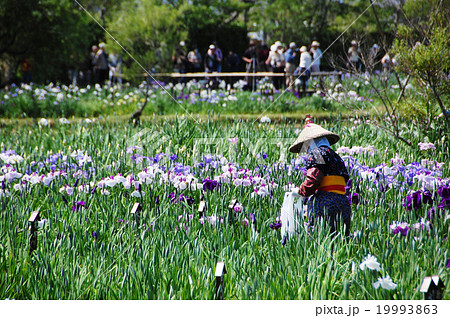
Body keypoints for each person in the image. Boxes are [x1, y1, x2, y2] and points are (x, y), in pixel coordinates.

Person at [288, 117, 351, 236]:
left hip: (326, 202)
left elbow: (314, 179)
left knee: (321, 236)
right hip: (343, 202)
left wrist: (301, 190)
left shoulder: (316, 152)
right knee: (340, 237)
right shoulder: (336, 156)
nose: (306, 149)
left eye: (306, 146)